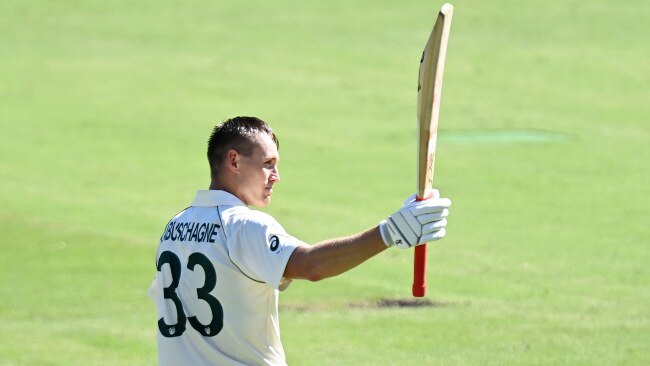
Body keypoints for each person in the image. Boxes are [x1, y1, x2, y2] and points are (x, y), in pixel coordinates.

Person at [148, 116, 451, 365]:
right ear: (234, 161)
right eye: (267, 163)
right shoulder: (242, 225)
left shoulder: (174, 227)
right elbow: (311, 265)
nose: (276, 176)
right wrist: (391, 232)